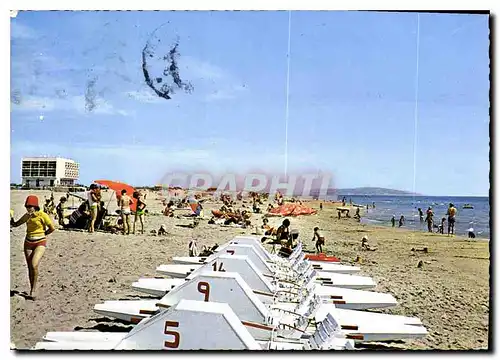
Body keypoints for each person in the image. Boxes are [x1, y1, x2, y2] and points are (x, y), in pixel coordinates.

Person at [10, 195, 55, 300]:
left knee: (34, 264)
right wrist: (10, 219)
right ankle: (32, 289)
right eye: (27, 206)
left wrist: (43, 234)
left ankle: (33, 290)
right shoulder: (27, 216)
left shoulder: (43, 215)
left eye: (30, 206)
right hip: (28, 243)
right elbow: (16, 224)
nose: (28, 208)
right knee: (30, 267)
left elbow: (52, 228)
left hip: (40, 242)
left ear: (35, 206)